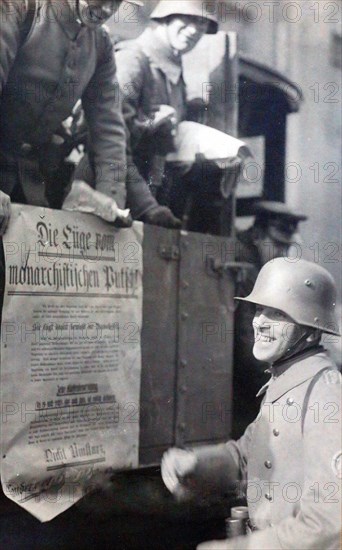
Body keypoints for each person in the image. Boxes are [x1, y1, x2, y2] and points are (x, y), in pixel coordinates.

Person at [162, 258, 341, 549]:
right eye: (259, 309)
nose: (259, 322)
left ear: (310, 329)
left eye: (277, 314)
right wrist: (197, 464)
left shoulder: (326, 396)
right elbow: (248, 455)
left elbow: (330, 525)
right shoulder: (284, 379)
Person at [0, 0, 143, 234]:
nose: (107, 10)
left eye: (116, 2)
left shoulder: (100, 43)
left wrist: (111, 200)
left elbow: (109, 129)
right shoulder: (21, 8)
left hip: (30, 180)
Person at [114, 0, 247, 234]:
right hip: (117, 198)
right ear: (167, 16)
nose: (195, 29)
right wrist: (147, 206)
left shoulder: (173, 70)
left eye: (203, 23)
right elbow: (108, 142)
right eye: (187, 18)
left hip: (150, 202)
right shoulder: (132, 60)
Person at [233, 201, 308, 436]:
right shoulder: (246, 268)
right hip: (235, 390)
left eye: (286, 249)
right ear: (257, 235)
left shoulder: (262, 267)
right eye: (277, 245)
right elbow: (250, 345)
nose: (283, 254)